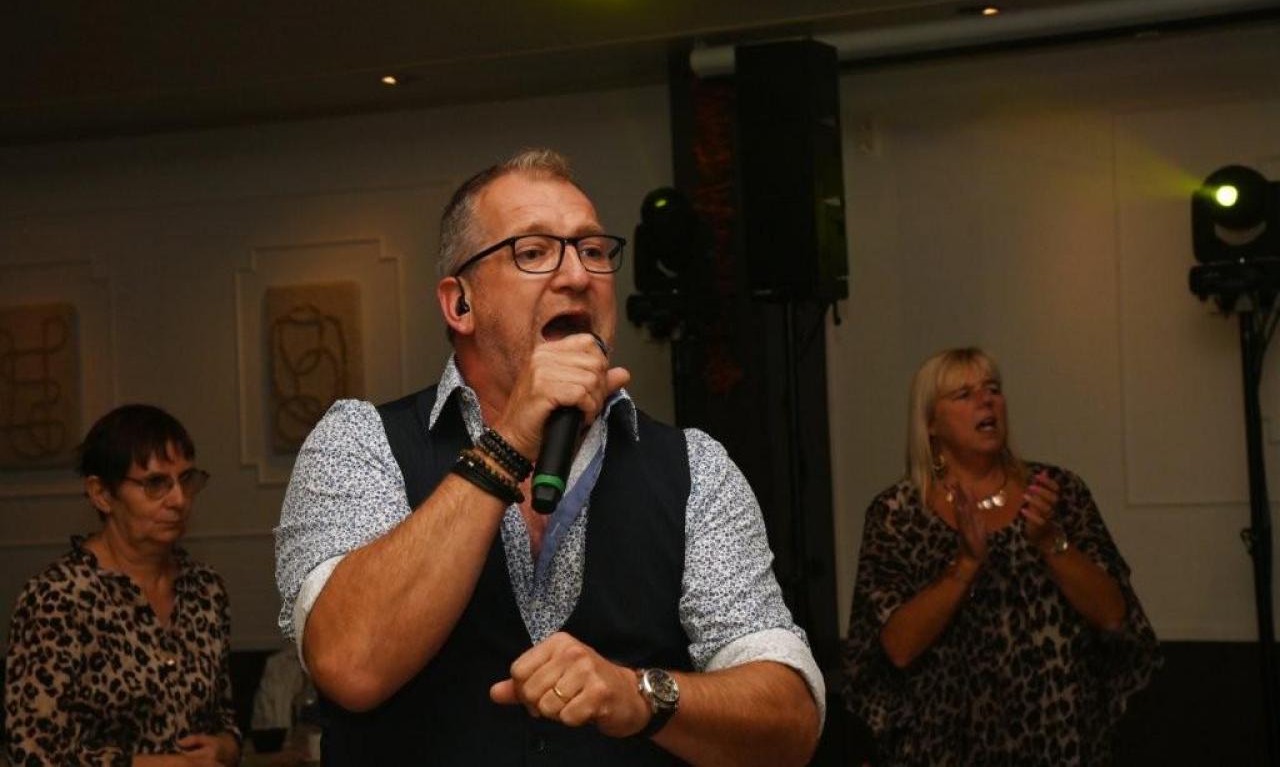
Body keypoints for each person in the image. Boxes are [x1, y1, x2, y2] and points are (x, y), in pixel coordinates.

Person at [274, 148, 823, 765]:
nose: (577, 276)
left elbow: (790, 724)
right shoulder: (360, 442)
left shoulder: (695, 469)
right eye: (533, 252)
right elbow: (350, 664)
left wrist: (641, 696)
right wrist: (509, 441)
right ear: (460, 304)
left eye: (592, 250)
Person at [841, 347, 1160, 766]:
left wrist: (1050, 541)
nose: (986, 401)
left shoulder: (1056, 492)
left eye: (992, 389)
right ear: (931, 424)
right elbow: (897, 648)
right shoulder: (897, 513)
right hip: (943, 744)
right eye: (964, 394)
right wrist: (965, 567)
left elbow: (1114, 615)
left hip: (1059, 736)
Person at [4, 405, 240, 766]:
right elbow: (33, 752)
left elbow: (225, 717)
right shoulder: (59, 597)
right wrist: (163, 765)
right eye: (156, 484)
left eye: (186, 480)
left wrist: (226, 746)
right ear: (101, 494)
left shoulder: (205, 588)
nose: (179, 499)